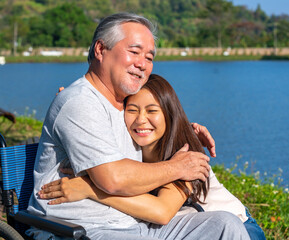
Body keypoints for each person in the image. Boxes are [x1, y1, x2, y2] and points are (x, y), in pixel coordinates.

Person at [27, 12, 251, 239]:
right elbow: (113, 179)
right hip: (85, 228)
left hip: (135, 224)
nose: (142, 64)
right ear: (100, 50)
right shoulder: (80, 102)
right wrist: (177, 167)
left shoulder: (122, 104)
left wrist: (188, 128)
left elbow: (158, 118)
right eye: (134, 52)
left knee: (226, 224)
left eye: (149, 58)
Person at [39, 74, 266, 239]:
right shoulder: (129, 142)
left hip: (235, 227)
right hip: (183, 227)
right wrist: (72, 103)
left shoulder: (185, 153)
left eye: (152, 110)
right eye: (132, 110)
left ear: (168, 114)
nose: (140, 120)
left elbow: (161, 211)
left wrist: (91, 188)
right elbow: (92, 118)